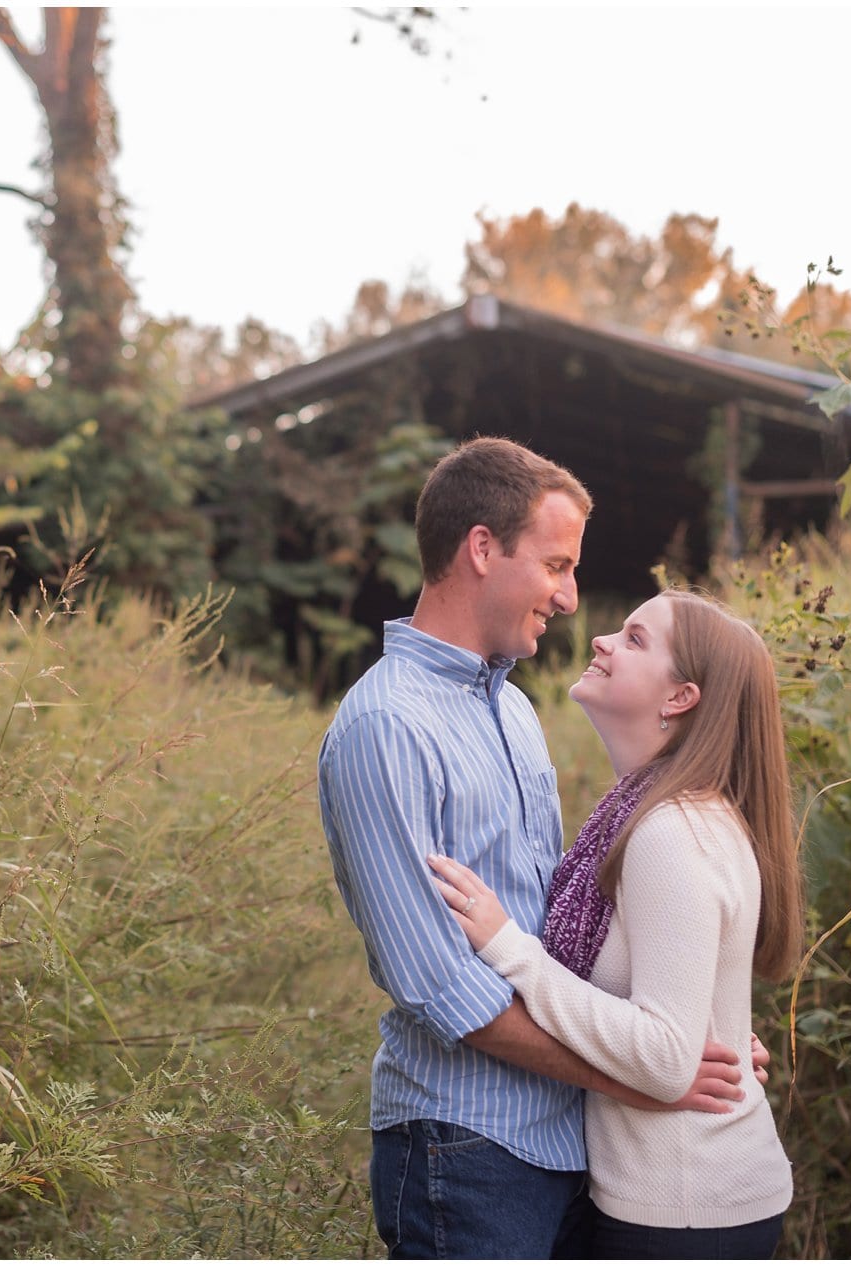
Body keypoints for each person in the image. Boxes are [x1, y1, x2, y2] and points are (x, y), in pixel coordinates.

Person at [317, 438, 757, 1260]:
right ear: (482, 548)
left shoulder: (515, 712)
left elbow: (567, 926)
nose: (569, 596)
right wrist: (648, 1076)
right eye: (556, 564)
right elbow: (445, 991)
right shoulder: (386, 727)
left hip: (571, 1142)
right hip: (468, 1147)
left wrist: (701, 1023)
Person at [427, 589, 802, 1257]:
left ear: (679, 697)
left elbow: (665, 1057)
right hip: (686, 1194)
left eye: (633, 639)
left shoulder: (670, 833)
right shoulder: (662, 816)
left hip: (684, 1205)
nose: (600, 640)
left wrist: (510, 948)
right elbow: (679, 1016)